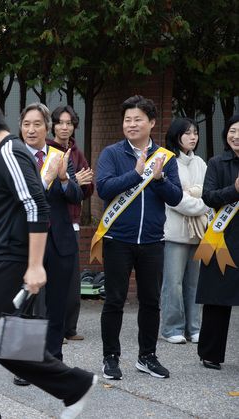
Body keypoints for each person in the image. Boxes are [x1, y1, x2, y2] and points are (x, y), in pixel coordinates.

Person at [0, 97, 96, 419]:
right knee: (4, 342)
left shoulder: (9, 153)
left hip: (7, 262)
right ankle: (74, 385)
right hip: (5, 260)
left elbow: (36, 206)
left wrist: (36, 265)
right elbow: (1, 212)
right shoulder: (5, 156)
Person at [92, 95, 182, 380]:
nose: (131, 124)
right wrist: (136, 174)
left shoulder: (165, 158)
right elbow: (104, 189)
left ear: (151, 123)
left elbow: (177, 197)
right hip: (118, 239)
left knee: (151, 301)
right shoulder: (112, 153)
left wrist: (160, 180)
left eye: (137, 119)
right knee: (114, 300)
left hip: (153, 241)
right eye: (127, 120)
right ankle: (111, 357)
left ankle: (147, 356)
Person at [17, 103, 82, 364]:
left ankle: (53, 357)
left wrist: (65, 179)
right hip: (28, 241)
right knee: (28, 303)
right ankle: (25, 362)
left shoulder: (60, 155)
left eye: (36, 124)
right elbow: (20, 200)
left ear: (47, 127)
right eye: (26, 125)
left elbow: (77, 197)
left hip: (60, 241)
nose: (31, 130)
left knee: (58, 304)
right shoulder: (15, 157)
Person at [194, 114, 239, 370]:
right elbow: (209, 197)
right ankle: (211, 353)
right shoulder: (216, 163)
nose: (236, 136)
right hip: (221, 238)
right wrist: (235, 189)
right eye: (233, 131)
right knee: (217, 298)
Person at [47, 106, 94, 342]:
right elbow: (49, 187)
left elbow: (88, 188)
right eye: (60, 123)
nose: (65, 127)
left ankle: (69, 328)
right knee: (53, 278)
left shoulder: (76, 152)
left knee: (72, 278)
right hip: (52, 222)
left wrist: (75, 184)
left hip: (73, 221)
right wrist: (73, 181)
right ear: (53, 125)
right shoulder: (46, 151)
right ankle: (53, 328)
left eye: (69, 123)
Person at [160, 118, 208, 344]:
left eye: (195, 133)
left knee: (195, 283)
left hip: (198, 233)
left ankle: (194, 327)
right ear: (177, 135)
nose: (192, 137)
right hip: (174, 233)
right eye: (187, 133)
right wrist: (196, 200)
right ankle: (172, 328)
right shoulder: (169, 161)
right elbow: (173, 199)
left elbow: (209, 195)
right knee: (174, 283)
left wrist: (195, 196)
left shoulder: (200, 163)